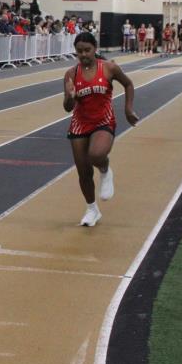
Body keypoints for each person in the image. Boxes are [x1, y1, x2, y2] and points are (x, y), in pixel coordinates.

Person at [63, 32, 139, 227]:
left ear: (95, 49)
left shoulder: (108, 68)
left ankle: (105, 170)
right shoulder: (71, 74)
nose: (83, 54)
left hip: (103, 120)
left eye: (87, 50)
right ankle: (92, 209)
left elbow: (128, 84)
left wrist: (128, 109)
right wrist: (70, 96)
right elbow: (67, 108)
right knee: (83, 171)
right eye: (79, 51)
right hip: (80, 123)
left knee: (96, 155)